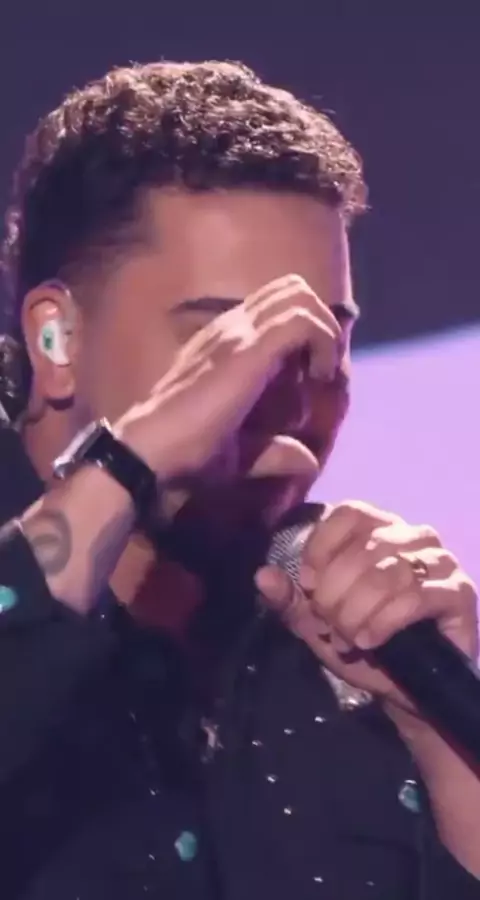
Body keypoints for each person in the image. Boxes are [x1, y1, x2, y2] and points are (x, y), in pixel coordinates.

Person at [0, 59, 478, 900]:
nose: (287, 395)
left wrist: (445, 742)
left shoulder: (345, 654)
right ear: (56, 339)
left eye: (322, 342)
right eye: (228, 340)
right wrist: (127, 461)